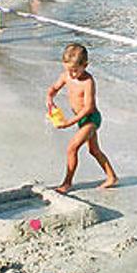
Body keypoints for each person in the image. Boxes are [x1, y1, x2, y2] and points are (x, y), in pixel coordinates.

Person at [46, 44, 118, 194]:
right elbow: (53, 88)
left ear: (85, 65)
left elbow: (88, 108)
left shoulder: (88, 82)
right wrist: (50, 98)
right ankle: (112, 177)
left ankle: (67, 183)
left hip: (91, 119)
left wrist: (68, 123)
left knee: (72, 148)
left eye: (75, 71)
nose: (72, 74)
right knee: (94, 150)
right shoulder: (66, 76)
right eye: (68, 70)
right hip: (81, 120)